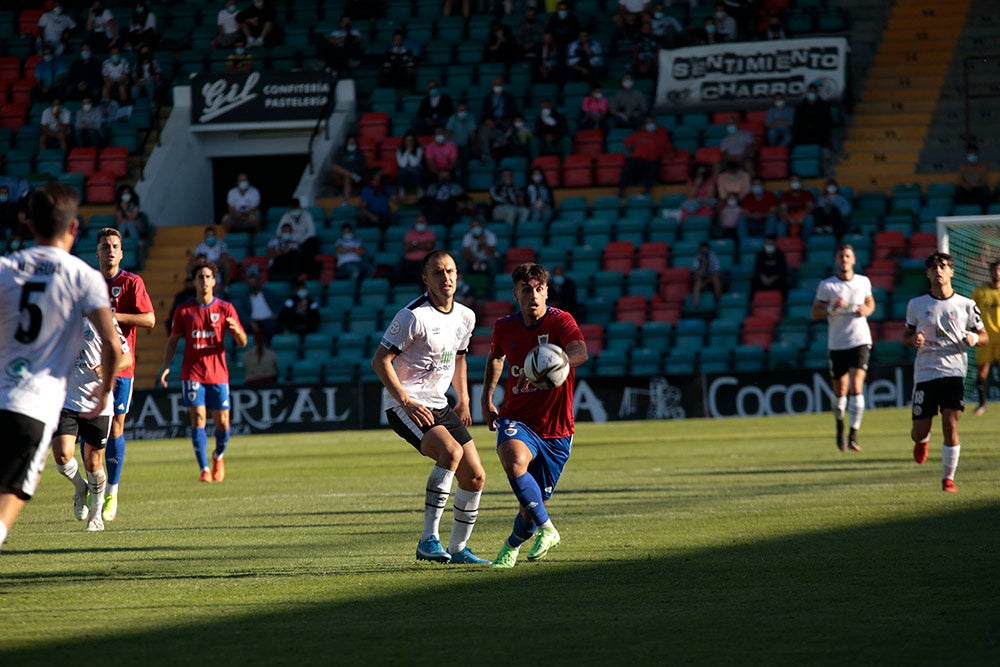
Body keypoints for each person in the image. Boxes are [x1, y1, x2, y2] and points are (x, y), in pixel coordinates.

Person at [0, 182, 121, 554]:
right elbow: (115, 347)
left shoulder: (5, 268)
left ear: (29, 223)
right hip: (34, 407)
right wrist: (106, 391)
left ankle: (93, 501)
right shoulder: (83, 277)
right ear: (73, 228)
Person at [371, 250, 490, 565]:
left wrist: (463, 398)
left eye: (450, 271)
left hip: (440, 403)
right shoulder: (413, 316)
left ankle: (459, 548)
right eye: (438, 273)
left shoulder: (466, 316)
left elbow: (460, 356)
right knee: (451, 453)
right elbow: (380, 360)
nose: (446, 278)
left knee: (475, 476)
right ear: (426, 280)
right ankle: (428, 540)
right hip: (405, 404)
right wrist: (406, 401)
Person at [481, 262, 589, 568]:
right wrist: (486, 399)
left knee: (529, 507)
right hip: (517, 417)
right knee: (513, 461)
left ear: (546, 292)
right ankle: (549, 529)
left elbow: (581, 351)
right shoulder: (505, 326)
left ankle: (511, 545)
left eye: (539, 289)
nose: (533, 295)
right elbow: (495, 359)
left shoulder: (561, 321)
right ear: (515, 293)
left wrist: (555, 363)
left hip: (557, 430)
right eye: (526, 289)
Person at [903, 252, 987, 492]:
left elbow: (984, 336)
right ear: (927, 274)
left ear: (952, 272)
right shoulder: (916, 305)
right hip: (926, 373)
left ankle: (948, 479)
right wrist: (914, 339)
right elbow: (906, 336)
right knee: (919, 432)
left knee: (951, 424)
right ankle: (923, 441)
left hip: (954, 371)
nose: (938, 270)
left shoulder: (966, 305)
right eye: (933, 267)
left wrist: (972, 337)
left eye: (943, 266)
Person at [159, 258, 248, 483]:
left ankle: (218, 456)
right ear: (195, 282)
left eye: (208, 277)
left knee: (223, 422)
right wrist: (167, 367)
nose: (204, 281)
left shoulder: (225, 308)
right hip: (193, 372)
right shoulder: (184, 310)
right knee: (198, 418)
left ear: (214, 281)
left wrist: (237, 330)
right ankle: (204, 469)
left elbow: (243, 342)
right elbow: (172, 341)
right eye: (200, 277)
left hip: (218, 374)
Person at [95, 226, 155, 522]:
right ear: (97, 251)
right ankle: (91, 487)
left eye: (115, 246)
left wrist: (114, 315)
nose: (110, 250)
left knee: (116, 426)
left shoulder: (131, 283)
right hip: (87, 366)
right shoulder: (88, 283)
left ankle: (111, 493)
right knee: (90, 430)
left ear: (122, 252)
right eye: (105, 246)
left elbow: (150, 319)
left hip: (122, 367)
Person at [50, 318, 131, 532]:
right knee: (62, 455)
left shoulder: (103, 318)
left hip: (98, 402)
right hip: (66, 400)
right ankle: (80, 487)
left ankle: (96, 515)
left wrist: (107, 368)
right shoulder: (56, 315)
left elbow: (127, 357)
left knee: (94, 463)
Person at [811, 245, 876, 452]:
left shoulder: (863, 282)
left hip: (860, 340)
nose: (844, 259)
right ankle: (840, 424)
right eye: (841, 256)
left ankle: (853, 434)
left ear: (854, 259)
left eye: (848, 256)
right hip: (838, 343)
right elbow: (815, 313)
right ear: (836, 260)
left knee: (856, 386)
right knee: (840, 393)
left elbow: (870, 303)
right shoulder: (827, 286)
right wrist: (831, 308)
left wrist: (867, 310)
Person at [971, 261, 1000, 415]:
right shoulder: (980, 291)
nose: (997, 273)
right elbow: (971, 312)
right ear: (990, 272)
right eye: (994, 270)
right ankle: (982, 404)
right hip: (985, 337)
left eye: (999, 270)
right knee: (982, 371)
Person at [619, 116, 673, 197]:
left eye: (652, 123)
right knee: (627, 169)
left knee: (652, 168)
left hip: (651, 160)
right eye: (648, 123)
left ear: (655, 124)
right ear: (644, 125)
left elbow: (671, 148)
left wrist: (671, 154)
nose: (650, 125)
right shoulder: (638, 134)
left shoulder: (660, 137)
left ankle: (647, 190)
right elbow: (626, 141)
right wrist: (629, 151)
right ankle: (621, 190)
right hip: (637, 159)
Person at [236, 272, 281, 344]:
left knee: (271, 325)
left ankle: (267, 347)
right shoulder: (245, 299)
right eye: (250, 283)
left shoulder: (268, 294)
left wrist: (276, 313)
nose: (252, 285)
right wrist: (250, 322)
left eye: (254, 283)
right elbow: (242, 312)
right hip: (254, 321)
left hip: (269, 319)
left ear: (258, 283)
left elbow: (279, 304)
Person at [397, 215, 437, 286]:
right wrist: (422, 244)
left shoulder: (430, 233)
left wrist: (414, 244)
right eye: (419, 222)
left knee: (424, 271)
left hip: (424, 261)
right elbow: (406, 248)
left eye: (422, 222)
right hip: (409, 261)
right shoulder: (409, 233)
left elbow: (429, 246)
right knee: (398, 268)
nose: (420, 224)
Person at [791, 84, 834, 149]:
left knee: (823, 135)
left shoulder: (824, 105)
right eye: (810, 92)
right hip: (805, 129)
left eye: (813, 92)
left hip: (819, 128)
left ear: (817, 93)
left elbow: (827, 119)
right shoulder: (801, 105)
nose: (811, 94)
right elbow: (798, 119)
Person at [277, 198, 319, 263]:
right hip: (290, 242)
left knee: (312, 241)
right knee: (281, 244)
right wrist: (290, 239)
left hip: (304, 241)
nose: (294, 210)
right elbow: (279, 231)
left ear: (300, 207)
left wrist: (300, 241)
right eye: (292, 208)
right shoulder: (286, 216)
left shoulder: (307, 215)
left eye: (296, 208)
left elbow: (311, 232)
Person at [954, 144, 991, 214]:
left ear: (977, 154)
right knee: (957, 190)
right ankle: (959, 213)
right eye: (970, 153)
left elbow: (984, 181)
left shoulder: (982, 166)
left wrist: (975, 185)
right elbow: (959, 181)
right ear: (967, 154)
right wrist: (966, 185)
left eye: (974, 153)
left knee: (985, 190)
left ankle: (984, 214)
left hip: (978, 189)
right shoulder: (962, 166)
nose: (972, 155)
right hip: (965, 190)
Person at [739, 177, 778, 241]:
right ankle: (744, 242)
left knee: (772, 217)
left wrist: (761, 215)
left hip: (765, 222)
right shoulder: (747, 197)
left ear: (763, 186)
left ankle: (769, 241)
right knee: (741, 219)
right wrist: (753, 215)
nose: (756, 186)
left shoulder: (770, 195)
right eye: (754, 185)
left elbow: (773, 211)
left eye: (759, 185)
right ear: (751, 186)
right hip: (752, 222)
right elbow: (744, 212)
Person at [331, 135, 367, 205]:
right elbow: (337, 165)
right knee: (334, 167)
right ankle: (351, 175)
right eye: (350, 143)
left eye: (353, 143)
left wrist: (356, 172)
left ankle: (346, 200)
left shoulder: (359, 154)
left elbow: (362, 168)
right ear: (346, 144)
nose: (351, 145)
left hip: (355, 174)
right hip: (343, 173)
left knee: (346, 177)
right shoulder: (342, 153)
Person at [777, 173, 815, 237]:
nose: (795, 183)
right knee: (781, 224)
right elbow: (783, 210)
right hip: (789, 218)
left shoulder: (807, 194)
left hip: (803, 217)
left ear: (800, 182)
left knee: (809, 219)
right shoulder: (785, 195)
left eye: (797, 181)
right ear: (790, 183)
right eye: (793, 181)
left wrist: (802, 218)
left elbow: (810, 207)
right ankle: (784, 245)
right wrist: (790, 219)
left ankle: (804, 242)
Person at [691, 241, 723, 309]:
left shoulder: (713, 257)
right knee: (697, 283)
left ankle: (719, 302)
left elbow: (717, 272)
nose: (704, 252)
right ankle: (695, 306)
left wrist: (708, 280)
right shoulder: (696, 258)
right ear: (700, 250)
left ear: (709, 250)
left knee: (716, 279)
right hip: (701, 279)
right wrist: (704, 263)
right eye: (703, 251)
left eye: (706, 251)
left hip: (711, 278)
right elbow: (698, 275)